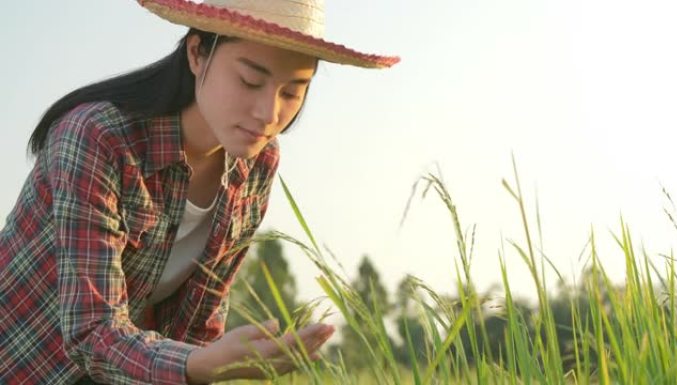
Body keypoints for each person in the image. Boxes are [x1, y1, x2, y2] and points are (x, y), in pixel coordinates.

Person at [0, 0, 399, 384]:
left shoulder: (257, 163)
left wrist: (210, 362)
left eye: (292, 92)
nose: (268, 113)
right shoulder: (98, 138)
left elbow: (197, 326)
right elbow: (91, 331)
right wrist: (197, 363)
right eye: (250, 80)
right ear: (197, 53)